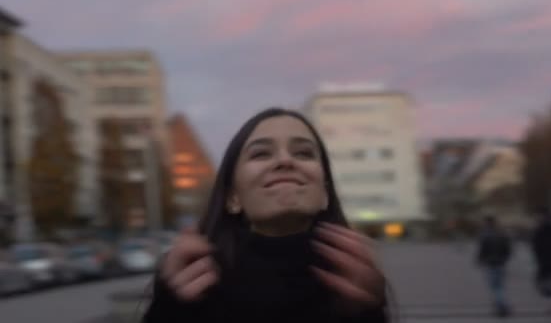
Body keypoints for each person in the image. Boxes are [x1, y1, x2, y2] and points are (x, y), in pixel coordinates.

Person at [142, 108, 388, 323]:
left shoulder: (355, 283)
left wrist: (369, 314)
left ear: (324, 192)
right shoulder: (194, 279)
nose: (285, 160)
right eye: (261, 154)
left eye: (303, 153)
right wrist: (169, 309)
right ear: (232, 198)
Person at [476, 216, 512, 317]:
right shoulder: (502, 234)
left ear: (487, 223)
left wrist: (479, 260)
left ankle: (502, 307)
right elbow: (508, 248)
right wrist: (505, 258)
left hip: (490, 263)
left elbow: (482, 250)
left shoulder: (484, 235)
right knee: (500, 286)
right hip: (501, 263)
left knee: (495, 287)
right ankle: (499, 305)